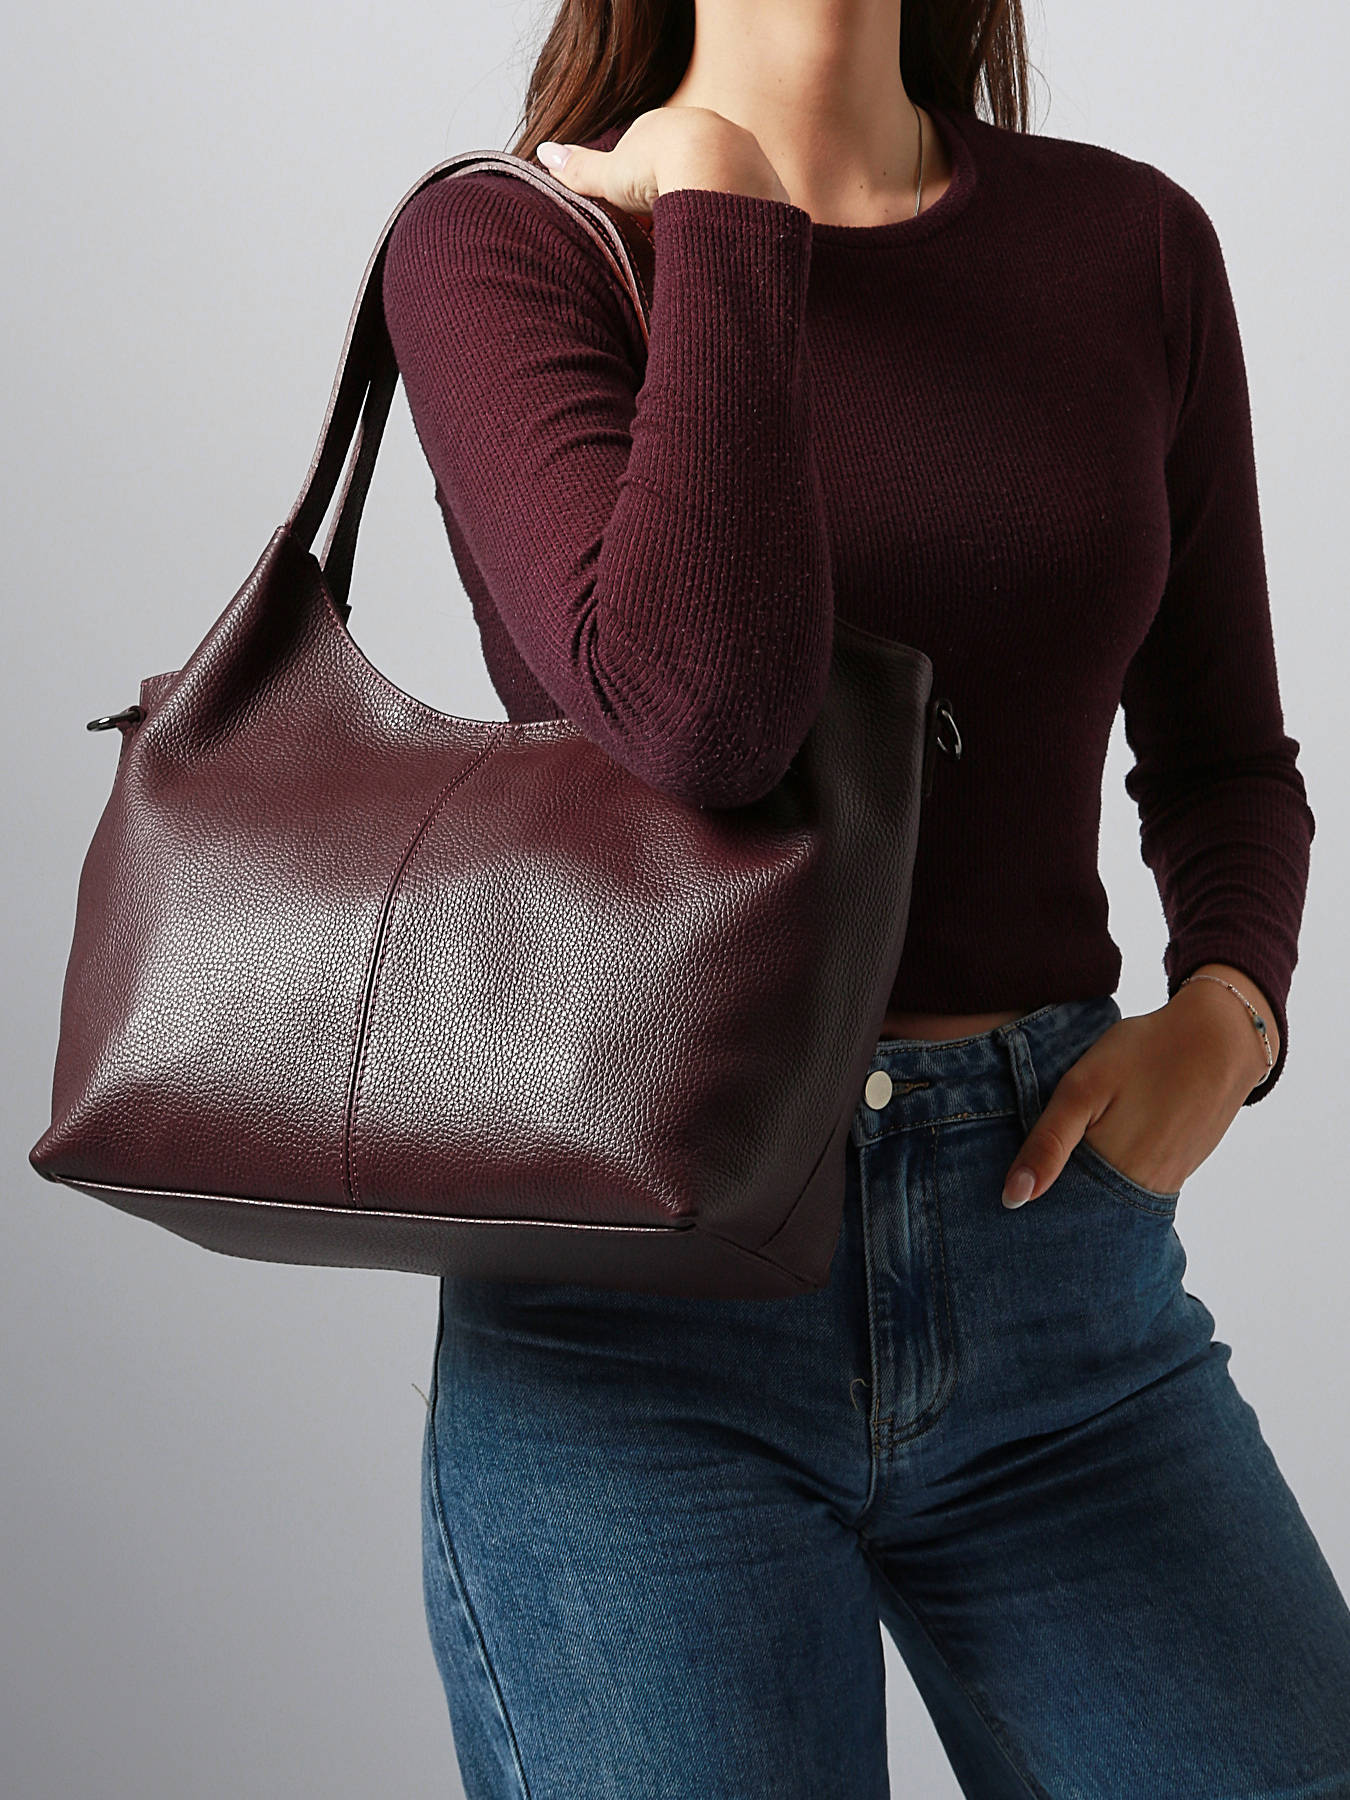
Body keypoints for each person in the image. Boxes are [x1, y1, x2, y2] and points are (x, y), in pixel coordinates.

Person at [381, 1, 1350, 1792]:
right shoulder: (509, 245)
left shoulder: (1129, 244)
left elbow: (1224, 755)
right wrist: (724, 210)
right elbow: (701, 714)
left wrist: (1230, 1012)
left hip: (1059, 1274)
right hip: (642, 1320)